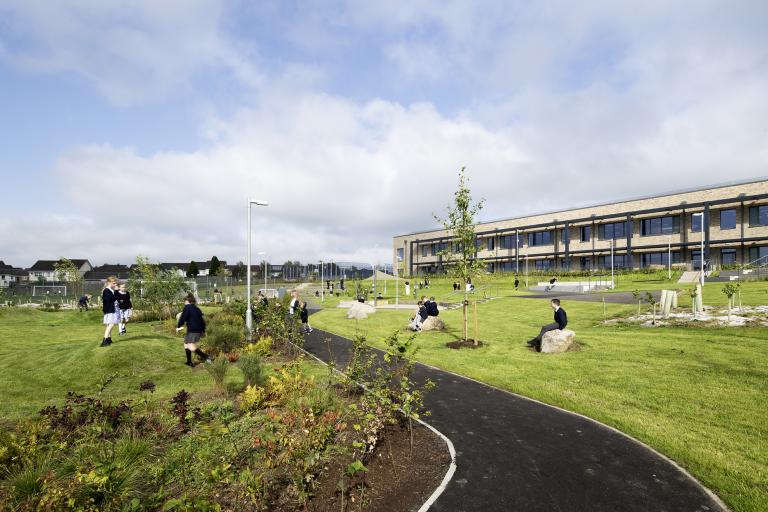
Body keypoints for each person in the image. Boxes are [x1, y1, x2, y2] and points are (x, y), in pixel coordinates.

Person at [176, 293, 212, 367]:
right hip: (197, 329)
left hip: (193, 330)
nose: (184, 303)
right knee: (186, 343)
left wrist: (178, 326)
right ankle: (189, 362)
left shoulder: (187, 307)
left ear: (187, 301)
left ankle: (206, 357)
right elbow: (202, 321)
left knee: (190, 346)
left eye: (184, 301)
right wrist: (203, 330)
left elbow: (183, 318)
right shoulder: (197, 308)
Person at [99, 276, 119, 347]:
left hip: (111, 309)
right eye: (113, 283)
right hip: (110, 310)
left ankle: (108, 339)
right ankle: (104, 340)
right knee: (111, 324)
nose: (115, 284)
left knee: (109, 324)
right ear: (109, 283)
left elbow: (115, 298)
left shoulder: (110, 290)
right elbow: (111, 299)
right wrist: (116, 291)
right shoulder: (106, 290)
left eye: (115, 283)